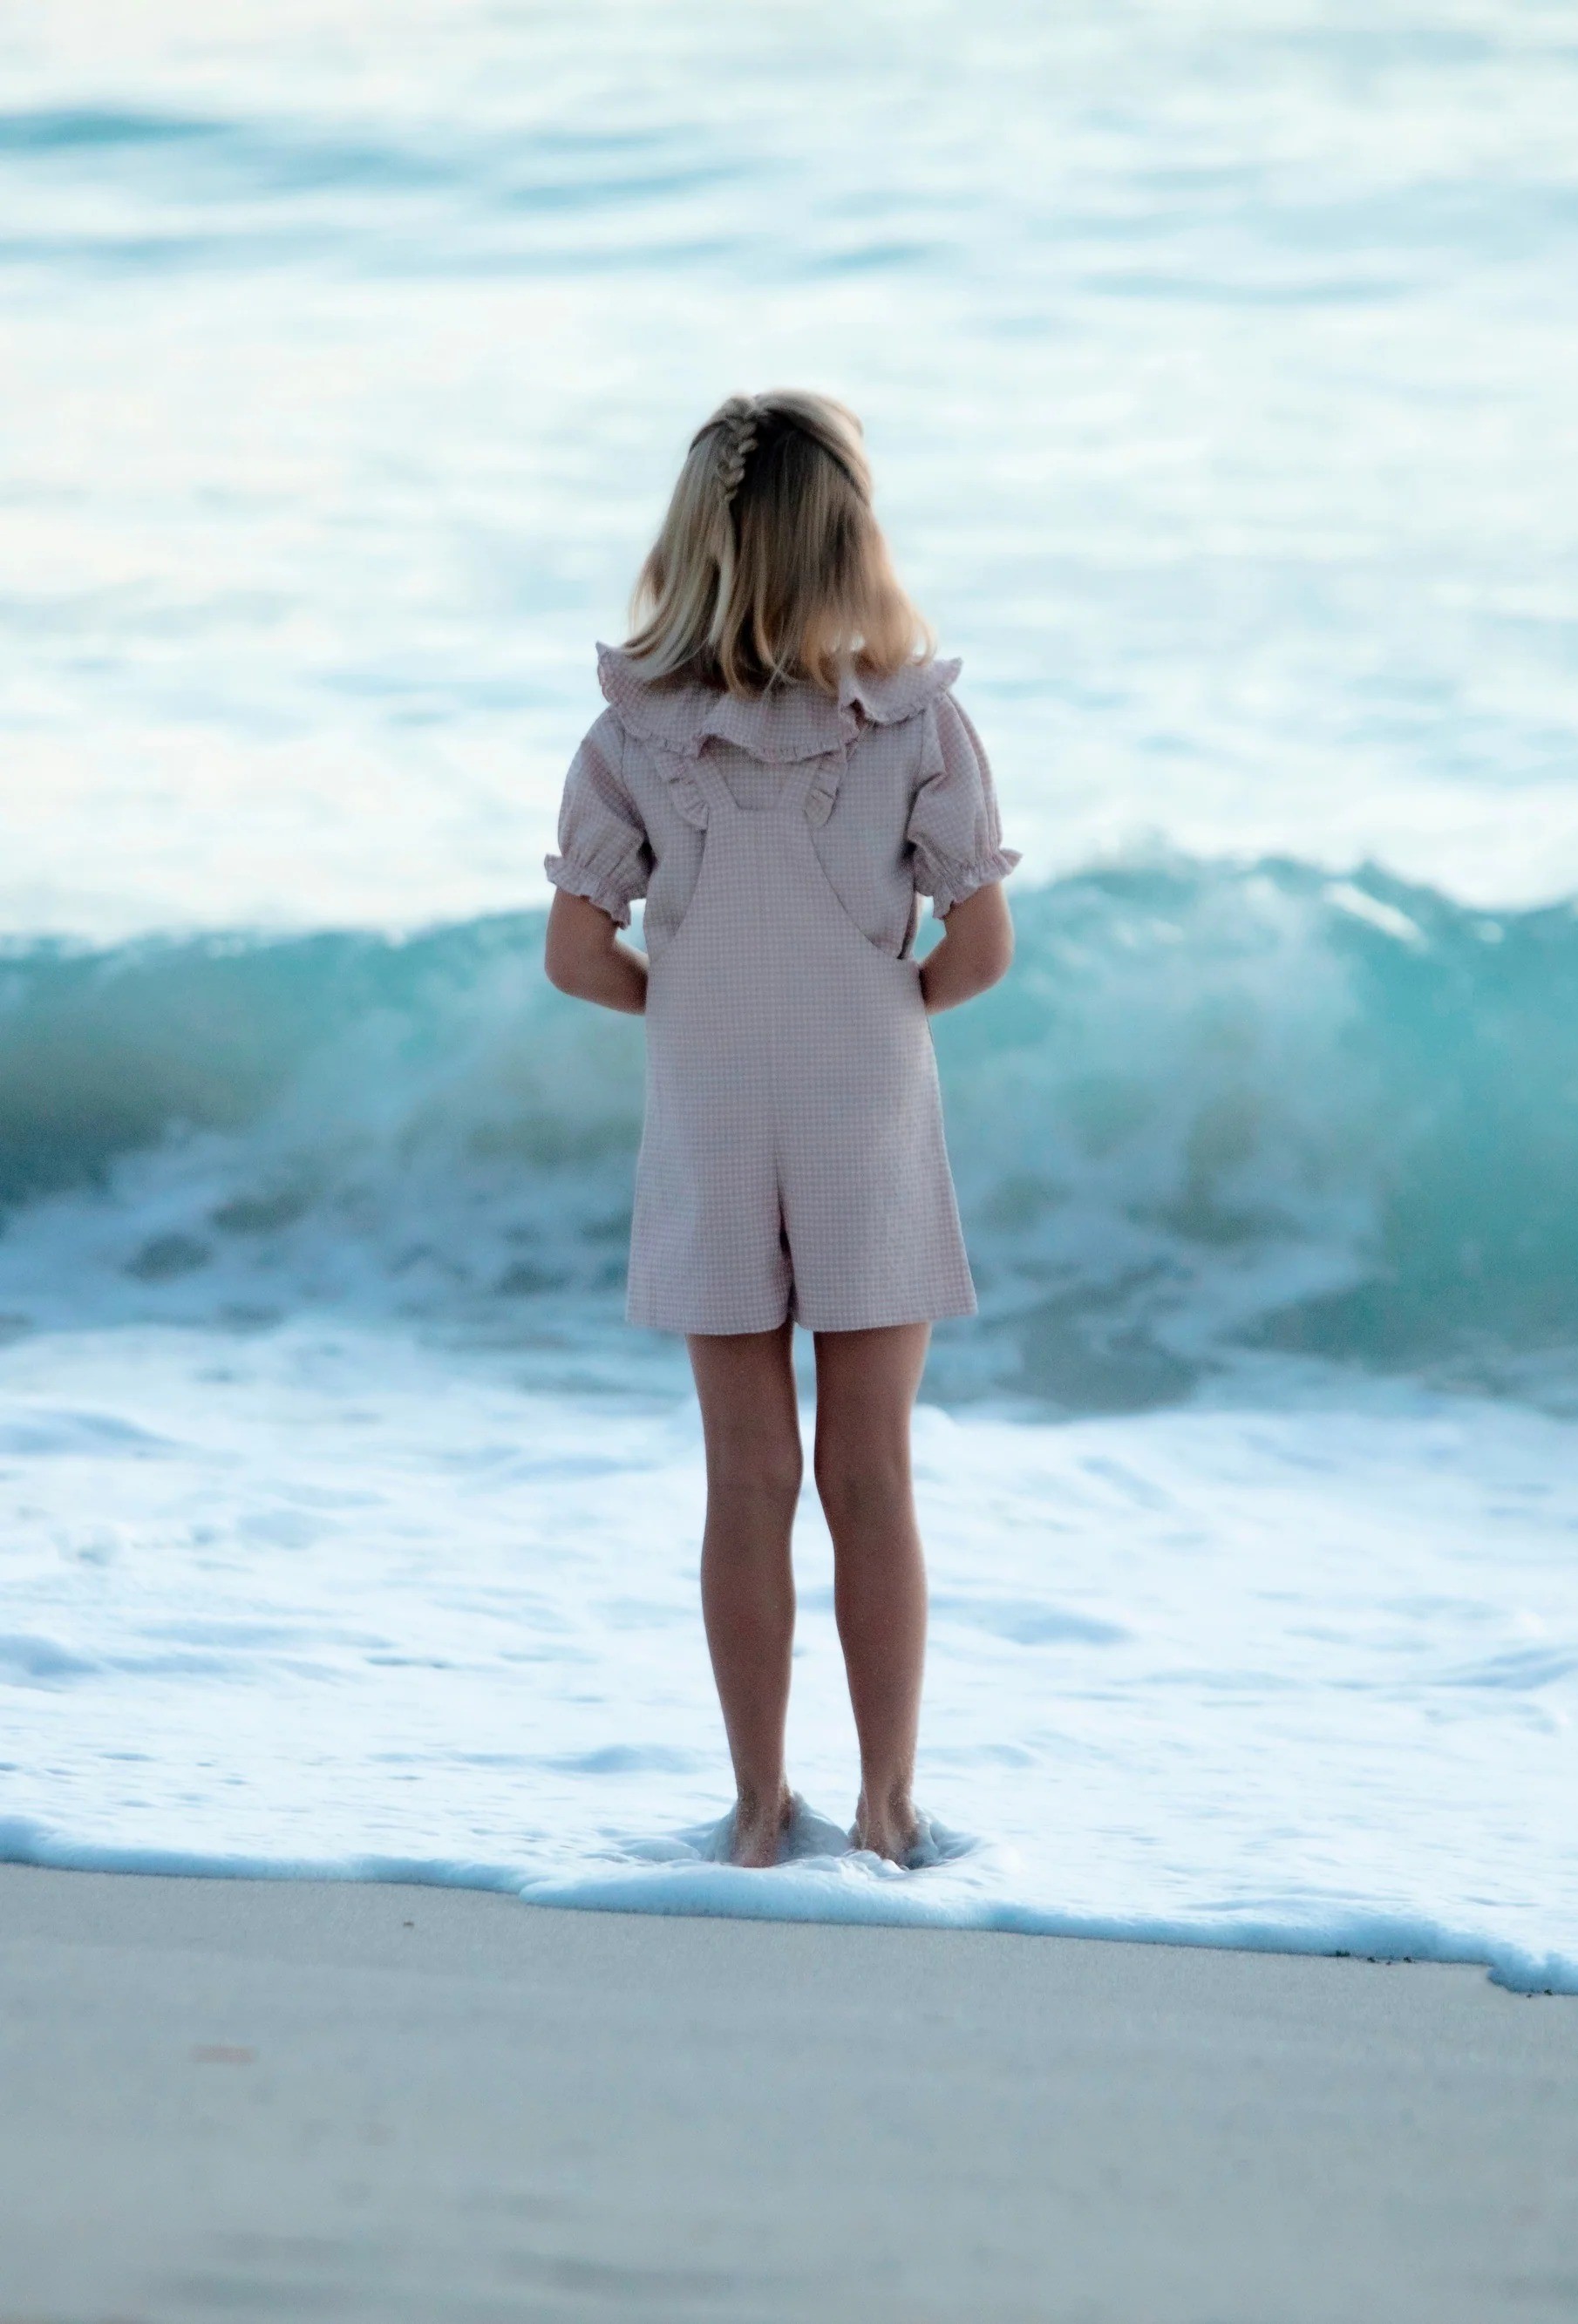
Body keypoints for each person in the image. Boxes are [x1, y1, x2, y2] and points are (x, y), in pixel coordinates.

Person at [543, 391, 1018, 1868]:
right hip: (864, 1100)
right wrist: (880, 1006)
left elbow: (575, 955)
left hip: (708, 1107)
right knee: (869, 1470)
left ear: (694, 543)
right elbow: (981, 947)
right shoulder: (914, 719)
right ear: (853, 544)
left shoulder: (632, 731)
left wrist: (686, 1008)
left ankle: (759, 1809)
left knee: (745, 1474)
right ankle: (885, 1808)